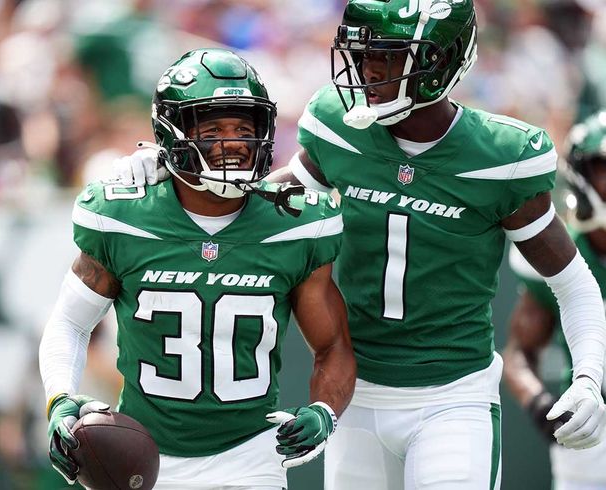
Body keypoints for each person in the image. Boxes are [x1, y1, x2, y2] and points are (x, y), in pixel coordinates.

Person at [113, 2, 606, 489]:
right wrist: (177, 171)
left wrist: (587, 376)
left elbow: (572, 281)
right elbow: (266, 200)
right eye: (359, 54)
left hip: (451, 396)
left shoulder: (501, 157)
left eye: (384, 57)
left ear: (440, 61)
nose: (363, 70)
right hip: (356, 396)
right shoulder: (338, 124)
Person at [38, 48, 356, 490]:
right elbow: (70, 323)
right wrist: (59, 399)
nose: (234, 143)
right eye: (213, 128)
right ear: (171, 133)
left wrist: (324, 411)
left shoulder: (297, 225)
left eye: (245, 127)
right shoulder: (122, 215)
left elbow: (334, 345)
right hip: (145, 455)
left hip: (252, 455)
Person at [505, 111, 606, 490]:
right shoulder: (561, 255)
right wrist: (539, 404)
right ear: (582, 176)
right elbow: (518, 352)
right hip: (591, 425)